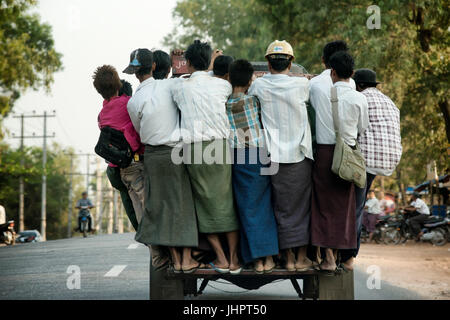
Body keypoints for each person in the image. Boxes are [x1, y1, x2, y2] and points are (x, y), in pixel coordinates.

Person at [126, 48, 200, 273]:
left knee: (162, 210)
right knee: (183, 206)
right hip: (176, 153)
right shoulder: (170, 86)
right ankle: (186, 259)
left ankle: (176, 259)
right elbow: (189, 80)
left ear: (135, 73)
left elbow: (139, 130)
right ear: (155, 67)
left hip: (152, 157)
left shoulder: (134, 100)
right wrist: (179, 59)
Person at [171, 40, 241, 274]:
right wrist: (211, 64)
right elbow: (213, 78)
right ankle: (233, 260)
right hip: (220, 148)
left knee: (204, 206)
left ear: (188, 63)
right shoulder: (222, 87)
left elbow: (186, 79)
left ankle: (220, 257)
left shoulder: (180, 87)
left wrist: (205, 65)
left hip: (194, 150)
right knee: (226, 204)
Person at [249, 40, 314, 272]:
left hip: (271, 158)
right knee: (301, 208)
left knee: (279, 208)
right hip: (299, 156)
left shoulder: (259, 86)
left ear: (267, 62)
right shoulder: (302, 87)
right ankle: (301, 258)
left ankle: (286, 258)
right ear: (291, 62)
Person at [310, 51, 369, 273]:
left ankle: (327, 258)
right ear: (352, 73)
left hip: (325, 155)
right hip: (349, 156)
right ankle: (342, 255)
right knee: (345, 208)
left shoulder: (319, 91)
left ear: (332, 72)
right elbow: (362, 128)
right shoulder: (360, 98)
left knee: (323, 206)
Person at [340, 68, 402, 269]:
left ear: (357, 85)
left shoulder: (360, 99)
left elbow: (351, 132)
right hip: (385, 162)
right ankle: (348, 253)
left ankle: (348, 255)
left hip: (364, 162)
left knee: (355, 207)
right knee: (359, 202)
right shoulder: (390, 103)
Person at [226, 59, 279, 273]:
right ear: (249, 80)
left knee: (246, 208)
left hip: (238, 157)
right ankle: (267, 258)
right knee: (262, 206)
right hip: (259, 155)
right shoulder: (253, 101)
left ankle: (257, 260)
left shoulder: (226, 103)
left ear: (229, 79)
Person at [93, 64, 146, 225]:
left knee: (136, 208)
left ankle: (148, 242)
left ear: (99, 91)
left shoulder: (102, 115)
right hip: (136, 162)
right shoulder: (129, 103)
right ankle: (157, 247)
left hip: (118, 169)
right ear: (118, 85)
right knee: (148, 209)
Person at [105, 79, 139, 231]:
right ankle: (150, 240)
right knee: (141, 203)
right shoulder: (129, 104)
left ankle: (141, 232)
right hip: (130, 163)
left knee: (128, 200)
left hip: (112, 168)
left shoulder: (104, 109)